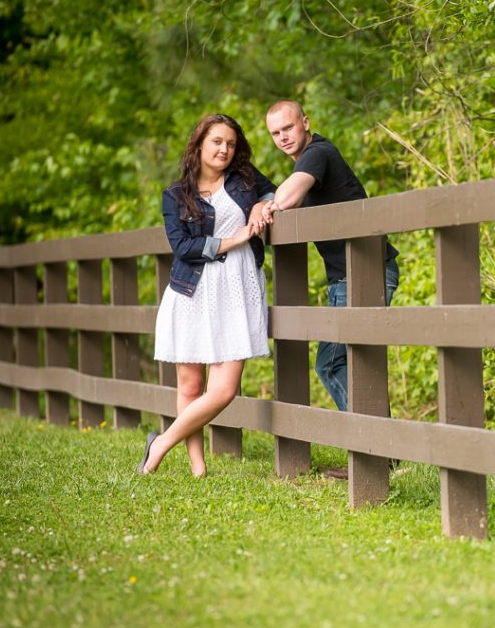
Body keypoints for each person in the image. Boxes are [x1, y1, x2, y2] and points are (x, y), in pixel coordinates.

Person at [138, 113, 276, 477]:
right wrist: (237, 238)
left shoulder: (244, 178)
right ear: (199, 145)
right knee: (191, 384)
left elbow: (272, 191)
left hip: (236, 286)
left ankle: (161, 443)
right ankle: (199, 468)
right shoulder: (174, 196)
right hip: (192, 291)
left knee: (224, 388)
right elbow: (183, 247)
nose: (224, 149)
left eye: (230, 143)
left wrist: (263, 205)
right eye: (217, 141)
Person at [262, 99, 399, 426]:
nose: (283, 137)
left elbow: (288, 198)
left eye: (289, 127)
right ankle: (380, 450)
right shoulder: (309, 161)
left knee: (332, 364)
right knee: (352, 363)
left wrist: (269, 206)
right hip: (351, 275)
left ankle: (377, 448)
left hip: (362, 274)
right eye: (275, 133)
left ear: (306, 123)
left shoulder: (318, 154)